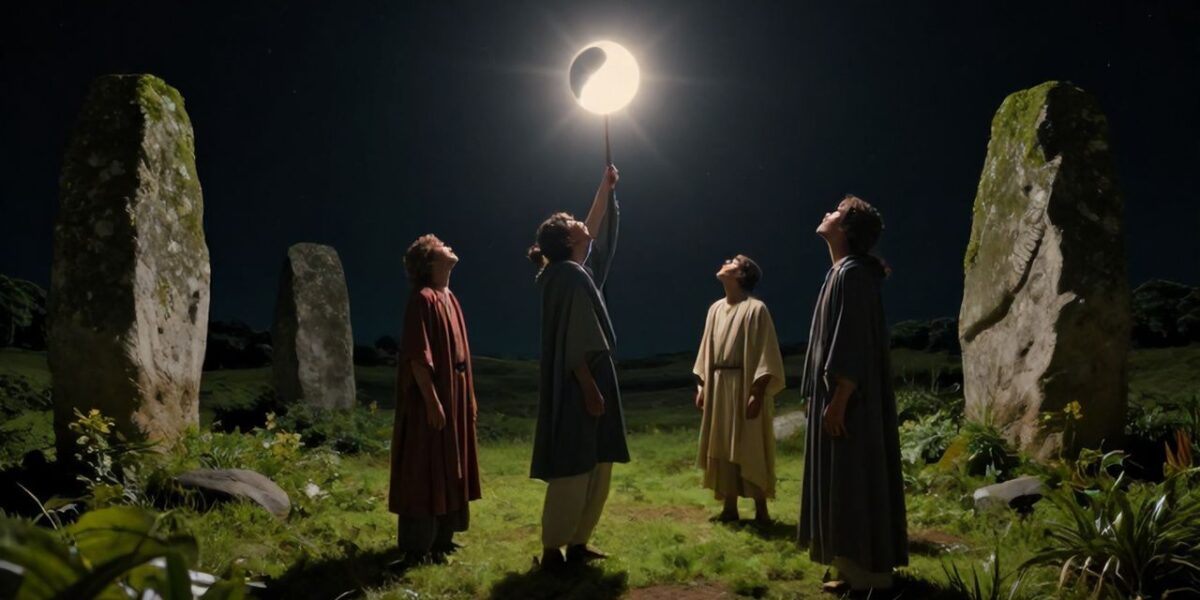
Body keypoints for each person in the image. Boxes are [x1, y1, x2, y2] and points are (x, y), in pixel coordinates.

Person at [797, 195, 908, 593]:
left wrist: (840, 398)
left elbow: (852, 339)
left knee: (854, 476)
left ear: (845, 228)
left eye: (836, 212)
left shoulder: (854, 275)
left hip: (850, 404)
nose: (826, 213)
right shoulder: (841, 273)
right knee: (840, 479)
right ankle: (849, 569)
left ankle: (869, 577)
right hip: (838, 400)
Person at [527, 165, 630, 570]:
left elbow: (594, 227)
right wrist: (588, 386)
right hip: (581, 381)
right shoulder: (567, 276)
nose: (580, 222)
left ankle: (579, 542)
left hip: (592, 378)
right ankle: (554, 550)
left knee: (598, 463)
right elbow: (575, 338)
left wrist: (604, 188)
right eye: (573, 222)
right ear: (568, 239)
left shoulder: (573, 271)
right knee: (574, 464)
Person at [388, 234, 481, 566]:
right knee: (424, 466)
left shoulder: (449, 297)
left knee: (451, 464)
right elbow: (417, 357)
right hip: (435, 397)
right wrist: (432, 402)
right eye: (442, 246)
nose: (449, 246)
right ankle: (416, 548)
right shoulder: (423, 299)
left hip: (455, 394)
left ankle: (443, 539)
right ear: (429, 261)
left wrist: (468, 398)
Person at [693, 254, 785, 524]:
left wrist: (757, 392)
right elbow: (706, 350)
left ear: (741, 275)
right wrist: (703, 385)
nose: (725, 261)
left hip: (745, 386)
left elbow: (766, 353)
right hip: (719, 386)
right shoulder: (715, 309)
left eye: (733, 261)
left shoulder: (756, 309)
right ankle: (729, 507)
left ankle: (761, 510)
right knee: (722, 443)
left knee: (750, 442)